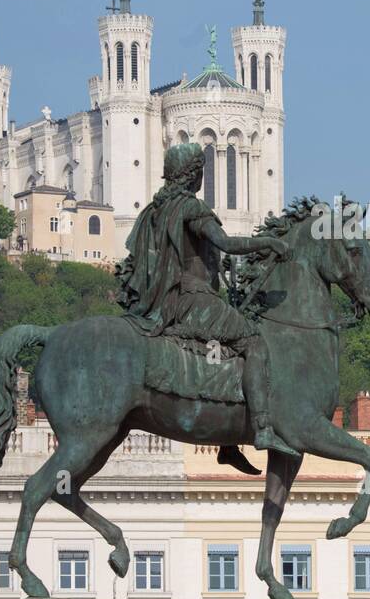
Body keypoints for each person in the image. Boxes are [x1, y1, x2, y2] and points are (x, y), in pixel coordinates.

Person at [116, 143, 296, 467]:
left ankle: (227, 442)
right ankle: (263, 429)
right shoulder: (190, 208)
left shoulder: (155, 210)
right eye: (200, 170)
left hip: (167, 299)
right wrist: (268, 242)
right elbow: (226, 243)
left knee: (221, 350)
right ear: (193, 174)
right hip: (192, 300)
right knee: (253, 343)